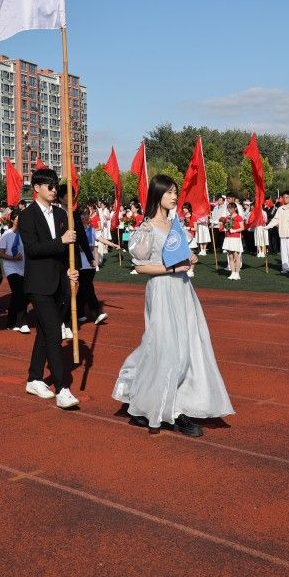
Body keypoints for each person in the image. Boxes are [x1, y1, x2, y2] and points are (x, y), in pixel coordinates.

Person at [113, 174, 234, 437]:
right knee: (166, 349)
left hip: (182, 290)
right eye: (169, 192)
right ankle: (168, 409)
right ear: (157, 195)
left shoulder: (175, 224)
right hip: (161, 290)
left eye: (175, 192)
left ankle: (177, 404)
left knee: (189, 347)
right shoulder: (147, 228)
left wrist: (190, 258)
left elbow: (181, 256)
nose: (174, 196)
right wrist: (171, 268)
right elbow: (140, 267)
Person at [18, 168, 80, 409]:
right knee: (55, 333)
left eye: (55, 186)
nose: (54, 190)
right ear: (37, 188)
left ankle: (34, 378)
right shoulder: (27, 216)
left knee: (45, 332)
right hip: (38, 284)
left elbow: (65, 252)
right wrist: (60, 241)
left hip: (59, 282)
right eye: (50, 186)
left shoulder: (62, 214)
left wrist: (70, 271)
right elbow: (32, 249)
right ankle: (62, 388)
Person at [0, 210, 30, 333]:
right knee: (19, 292)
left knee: (20, 295)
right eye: (17, 219)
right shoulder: (7, 235)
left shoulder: (25, 234)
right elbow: (1, 253)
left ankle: (12, 322)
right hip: (11, 267)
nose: (20, 221)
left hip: (23, 267)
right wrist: (13, 258)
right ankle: (23, 322)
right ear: (12, 220)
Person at [266, 193, 289, 275]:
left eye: (287, 197)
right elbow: (275, 220)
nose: (285, 199)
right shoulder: (280, 209)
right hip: (282, 233)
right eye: (284, 197)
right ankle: (285, 268)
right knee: (284, 253)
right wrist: (267, 226)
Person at [221, 201, 244, 280]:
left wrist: (234, 230)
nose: (229, 210)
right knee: (230, 256)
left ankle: (237, 273)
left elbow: (242, 228)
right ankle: (232, 272)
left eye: (231, 208)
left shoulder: (239, 217)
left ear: (235, 208)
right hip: (228, 237)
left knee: (236, 255)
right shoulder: (227, 217)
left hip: (235, 238)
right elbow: (225, 226)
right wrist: (224, 226)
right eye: (228, 208)